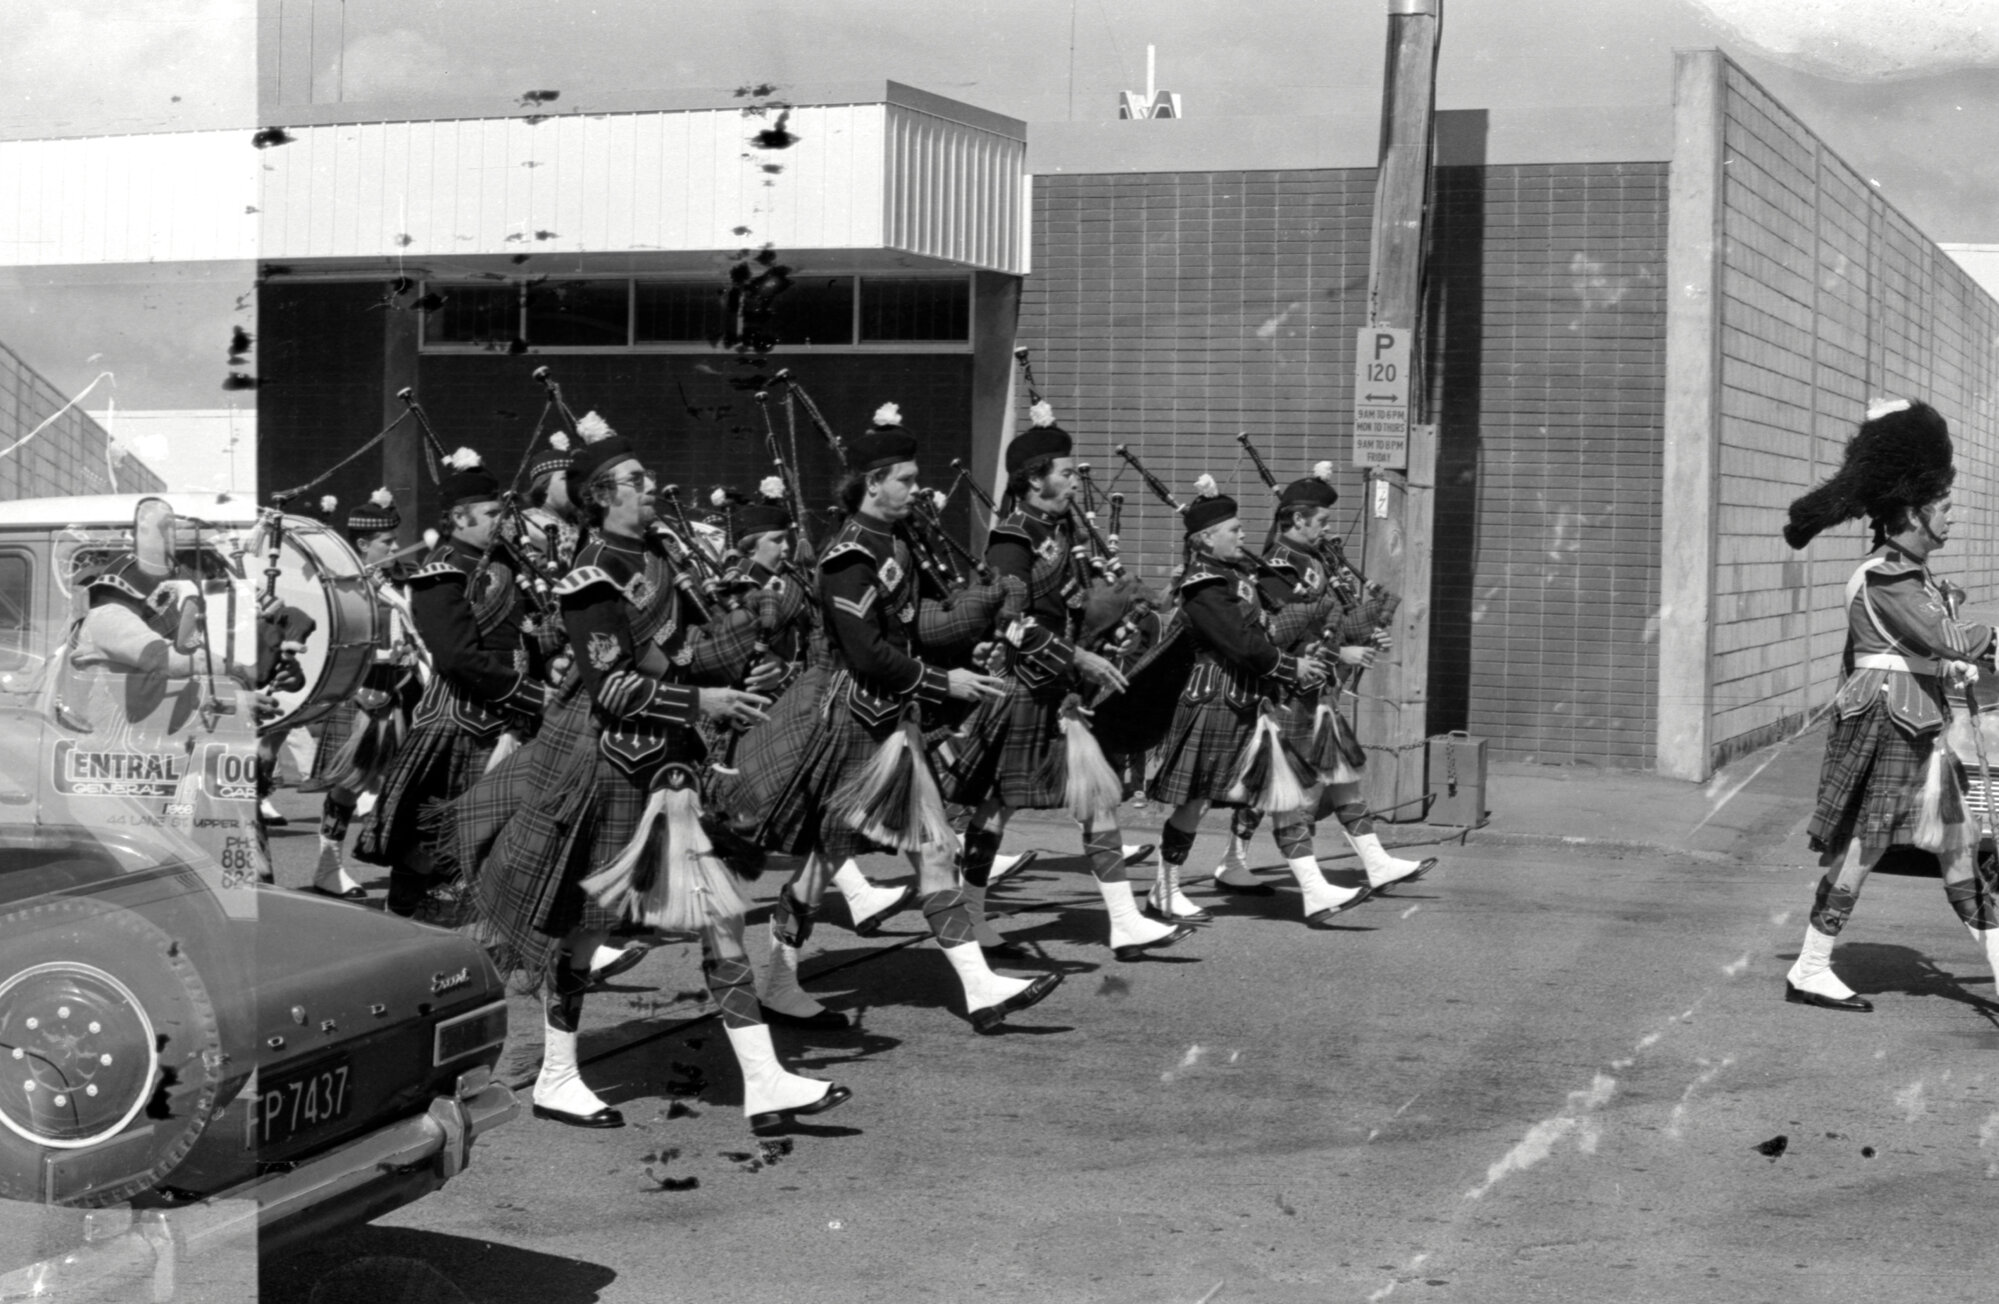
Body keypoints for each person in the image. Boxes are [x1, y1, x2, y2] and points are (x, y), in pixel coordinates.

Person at [458, 415, 845, 1133]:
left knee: (721, 916)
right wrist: (705, 697)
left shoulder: (659, 557)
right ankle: (557, 1074)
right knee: (580, 929)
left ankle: (763, 1080)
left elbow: (682, 652)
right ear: (602, 497)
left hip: (667, 765)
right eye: (636, 481)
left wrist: (746, 629)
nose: (651, 487)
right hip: (604, 767)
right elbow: (612, 688)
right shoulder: (587, 580)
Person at [726, 403, 1061, 1033]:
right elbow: (866, 652)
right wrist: (946, 680)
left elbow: (915, 627)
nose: (916, 489)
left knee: (922, 851)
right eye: (904, 479)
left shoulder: (898, 540)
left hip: (888, 721)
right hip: (848, 722)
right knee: (829, 858)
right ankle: (776, 981)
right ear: (872, 482)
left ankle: (977, 986)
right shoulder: (847, 555)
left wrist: (975, 623)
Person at [942, 401, 1191, 961]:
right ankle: (973, 915)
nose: (1075, 478)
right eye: (1064, 471)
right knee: (995, 806)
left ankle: (1124, 922)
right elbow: (1012, 623)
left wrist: (1116, 629)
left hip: (1059, 688)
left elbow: (1075, 607)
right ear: (1034, 480)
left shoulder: (1062, 529)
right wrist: (1078, 657)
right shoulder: (1012, 539)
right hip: (1027, 686)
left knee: (1092, 798)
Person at [1780, 398, 1998, 1012]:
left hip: (1917, 720)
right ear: (1913, 511)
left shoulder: (1914, 577)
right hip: (1889, 720)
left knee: (1959, 845)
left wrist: (1950, 661)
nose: (1952, 519)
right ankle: (1811, 967)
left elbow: (1932, 648)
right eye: (1945, 508)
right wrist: (1981, 648)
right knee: (1866, 846)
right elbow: (1942, 639)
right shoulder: (1887, 577)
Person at [1208, 473, 1436, 905]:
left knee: (1340, 778)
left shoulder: (1312, 562)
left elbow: (1327, 624)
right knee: (1275, 789)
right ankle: (1231, 865)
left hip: (1317, 692)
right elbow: (1278, 637)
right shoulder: (1277, 567)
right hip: (1288, 691)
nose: (1328, 529)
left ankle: (1375, 862)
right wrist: (1342, 653)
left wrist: (1366, 634)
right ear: (1298, 519)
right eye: (1322, 520)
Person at [353, 448, 550, 918]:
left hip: (513, 721)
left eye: (503, 512)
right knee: (434, 844)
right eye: (490, 514)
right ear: (458, 518)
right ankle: (408, 926)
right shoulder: (440, 575)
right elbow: (459, 658)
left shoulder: (516, 568)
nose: (502, 521)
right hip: (463, 722)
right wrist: (533, 695)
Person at [1144, 482, 1350, 926]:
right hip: (1215, 698)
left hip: (1246, 699)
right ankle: (1164, 889)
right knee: (1196, 801)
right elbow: (1240, 644)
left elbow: (1262, 633)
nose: (1242, 536)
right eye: (1233, 530)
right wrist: (1289, 667)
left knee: (1281, 790)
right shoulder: (1203, 585)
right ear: (1205, 539)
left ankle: (1311, 890)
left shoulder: (1235, 577)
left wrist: (1303, 644)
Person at [302, 489, 422, 899]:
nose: (394, 547)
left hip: (406, 691)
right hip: (364, 693)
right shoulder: (343, 585)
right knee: (349, 786)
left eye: (395, 539)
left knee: (410, 783)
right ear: (362, 545)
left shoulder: (402, 578)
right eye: (387, 542)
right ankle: (327, 867)